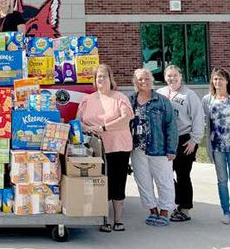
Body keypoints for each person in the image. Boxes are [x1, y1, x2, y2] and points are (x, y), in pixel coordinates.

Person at [77, 64, 134, 232]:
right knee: (100, 183)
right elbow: (78, 120)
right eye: (98, 77)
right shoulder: (88, 99)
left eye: (104, 76)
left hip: (118, 146)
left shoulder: (120, 97)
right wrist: (85, 127)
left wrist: (103, 128)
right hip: (95, 148)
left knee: (117, 181)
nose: (101, 79)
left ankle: (118, 219)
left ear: (111, 78)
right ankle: (104, 219)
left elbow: (126, 118)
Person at [129, 68, 178, 227]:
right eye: (140, 80)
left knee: (164, 180)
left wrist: (171, 149)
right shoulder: (131, 100)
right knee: (142, 181)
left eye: (146, 78)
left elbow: (171, 126)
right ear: (135, 83)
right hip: (137, 149)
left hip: (159, 148)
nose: (143, 82)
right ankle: (153, 210)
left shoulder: (162, 101)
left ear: (151, 80)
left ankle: (165, 211)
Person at [156, 65, 204, 222]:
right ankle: (175, 203)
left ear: (181, 76)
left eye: (175, 75)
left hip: (184, 139)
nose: (172, 78)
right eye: (169, 76)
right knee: (166, 175)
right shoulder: (160, 93)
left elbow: (198, 118)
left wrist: (194, 140)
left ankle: (185, 208)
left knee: (183, 175)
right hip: (165, 140)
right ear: (164, 77)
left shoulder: (189, 95)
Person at [202, 67, 230, 224]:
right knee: (221, 180)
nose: (217, 81)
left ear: (227, 81)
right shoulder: (207, 99)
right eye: (215, 79)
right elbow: (205, 121)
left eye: (221, 78)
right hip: (217, 146)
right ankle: (226, 211)